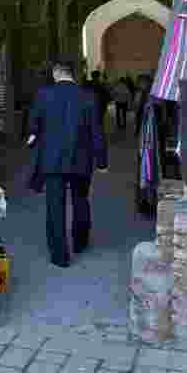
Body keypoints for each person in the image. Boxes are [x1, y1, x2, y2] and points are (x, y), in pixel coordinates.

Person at [27, 62, 108, 268]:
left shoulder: (44, 94)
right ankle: (80, 243)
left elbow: (34, 125)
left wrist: (33, 136)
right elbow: (96, 132)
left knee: (55, 206)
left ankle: (60, 255)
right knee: (81, 200)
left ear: (56, 74)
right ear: (73, 74)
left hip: (53, 160)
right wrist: (101, 161)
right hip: (81, 160)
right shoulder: (89, 97)